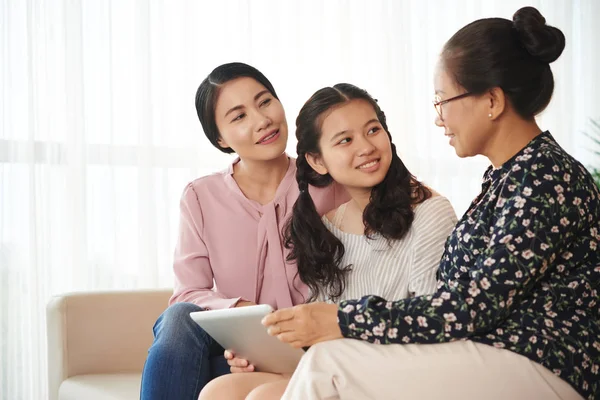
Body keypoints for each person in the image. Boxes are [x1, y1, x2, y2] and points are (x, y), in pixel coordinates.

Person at [263, 7, 599, 400]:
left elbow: (472, 306)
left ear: (491, 100)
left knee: (330, 364)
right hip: (496, 355)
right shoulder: (509, 177)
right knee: (326, 360)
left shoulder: (544, 176)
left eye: (443, 100)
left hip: (545, 363)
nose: (439, 118)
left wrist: (343, 318)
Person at [198, 83, 457, 400]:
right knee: (219, 391)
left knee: (261, 397)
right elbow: (321, 334)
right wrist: (264, 356)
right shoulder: (326, 227)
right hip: (335, 369)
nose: (365, 147)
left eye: (373, 130)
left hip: (396, 372)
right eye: (345, 140)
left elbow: (432, 318)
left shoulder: (430, 212)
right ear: (318, 161)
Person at [139, 62, 347, 400]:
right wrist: (238, 311)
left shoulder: (328, 182)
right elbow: (188, 293)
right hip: (238, 356)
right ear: (220, 138)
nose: (262, 120)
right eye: (239, 116)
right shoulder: (200, 197)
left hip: (313, 351)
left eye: (265, 102)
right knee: (179, 318)